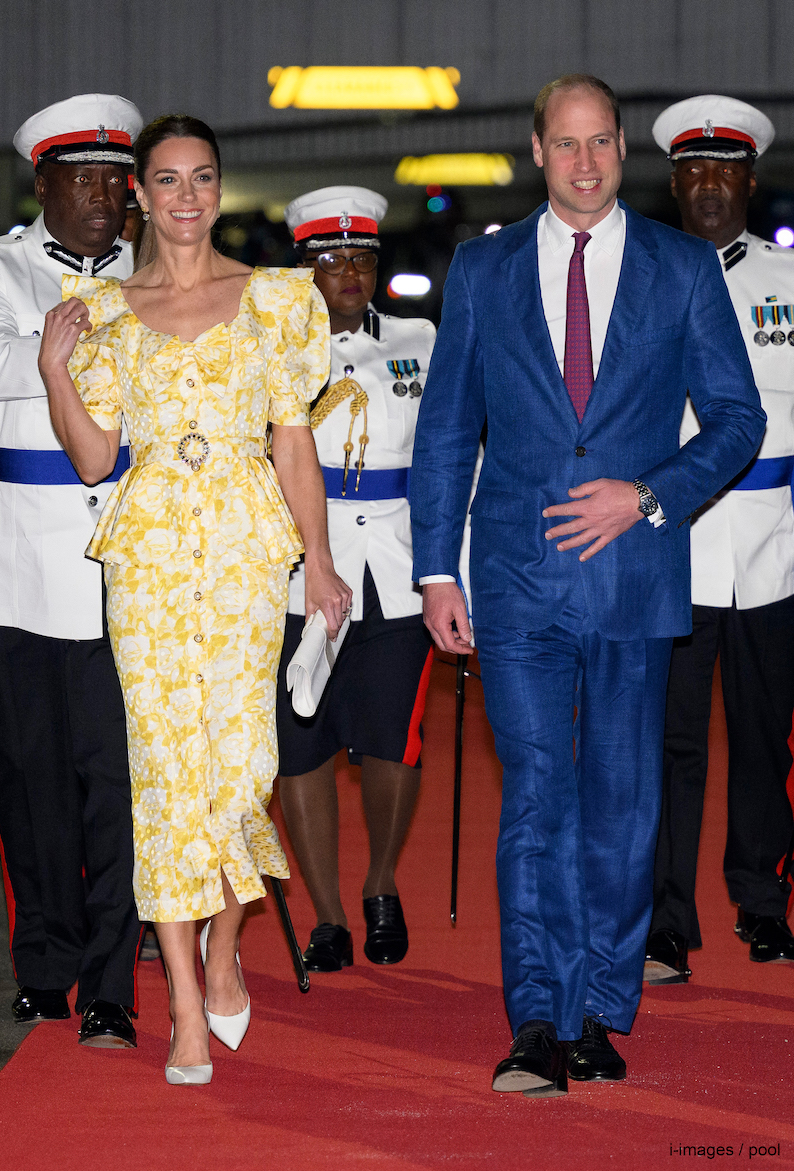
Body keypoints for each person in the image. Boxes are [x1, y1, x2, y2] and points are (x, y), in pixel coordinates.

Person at [409, 73, 765, 1096]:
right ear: (535, 152)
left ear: (621, 148)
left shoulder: (680, 269)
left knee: (620, 803)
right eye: (564, 145)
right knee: (535, 800)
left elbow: (738, 422)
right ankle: (534, 1016)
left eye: (600, 142)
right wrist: (437, 567)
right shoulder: (480, 270)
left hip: (634, 577)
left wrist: (648, 495)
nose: (584, 161)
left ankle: (602, 1007)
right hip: (515, 581)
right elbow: (444, 431)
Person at [37, 114, 349, 1085]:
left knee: (245, 763)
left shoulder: (278, 302)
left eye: (201, 179)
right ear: (139, 193)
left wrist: (323, 563)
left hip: (248, 551)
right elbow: (95, 455)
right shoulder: (106, 309)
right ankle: (179, 1000)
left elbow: (292, 441)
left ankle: (225, 942)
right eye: (165, 181)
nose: (184, 198)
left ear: (220, 188)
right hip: (151, 559)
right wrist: (55, 368)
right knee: (164, 775)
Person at [0, 94, 144, 1047]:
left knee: (118, 783)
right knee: (29, 782)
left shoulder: (160, 273)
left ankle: (112, 982)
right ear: (41, 182)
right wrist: (94, 353)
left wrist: (70, 355)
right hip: (11, 572)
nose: (101, 199)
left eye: (115, 182)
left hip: (125, 566)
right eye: (81, 180)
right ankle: (44, 963)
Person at [645, 97, 794, 984]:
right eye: (693, 171)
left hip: (777, 546)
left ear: (749, 180)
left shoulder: (788, 284)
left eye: (725, 170)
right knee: (672, 741)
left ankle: (764, 900)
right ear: (673, 183)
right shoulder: (647, 280)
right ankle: (667, 918)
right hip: (674, 547)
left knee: (767, 734)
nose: (709, 185)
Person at [276, 187, 435, 972]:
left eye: (363, 257)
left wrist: (452, 566)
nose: (350, 272)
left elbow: (446, 462)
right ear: (303, 267)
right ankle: (330, 914)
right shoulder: (270, 347)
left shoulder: (418, 339)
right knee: (301, 745)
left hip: (399, 573)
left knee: (392, 742)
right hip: (301, 575)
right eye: (332, 258)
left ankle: (380, 884)